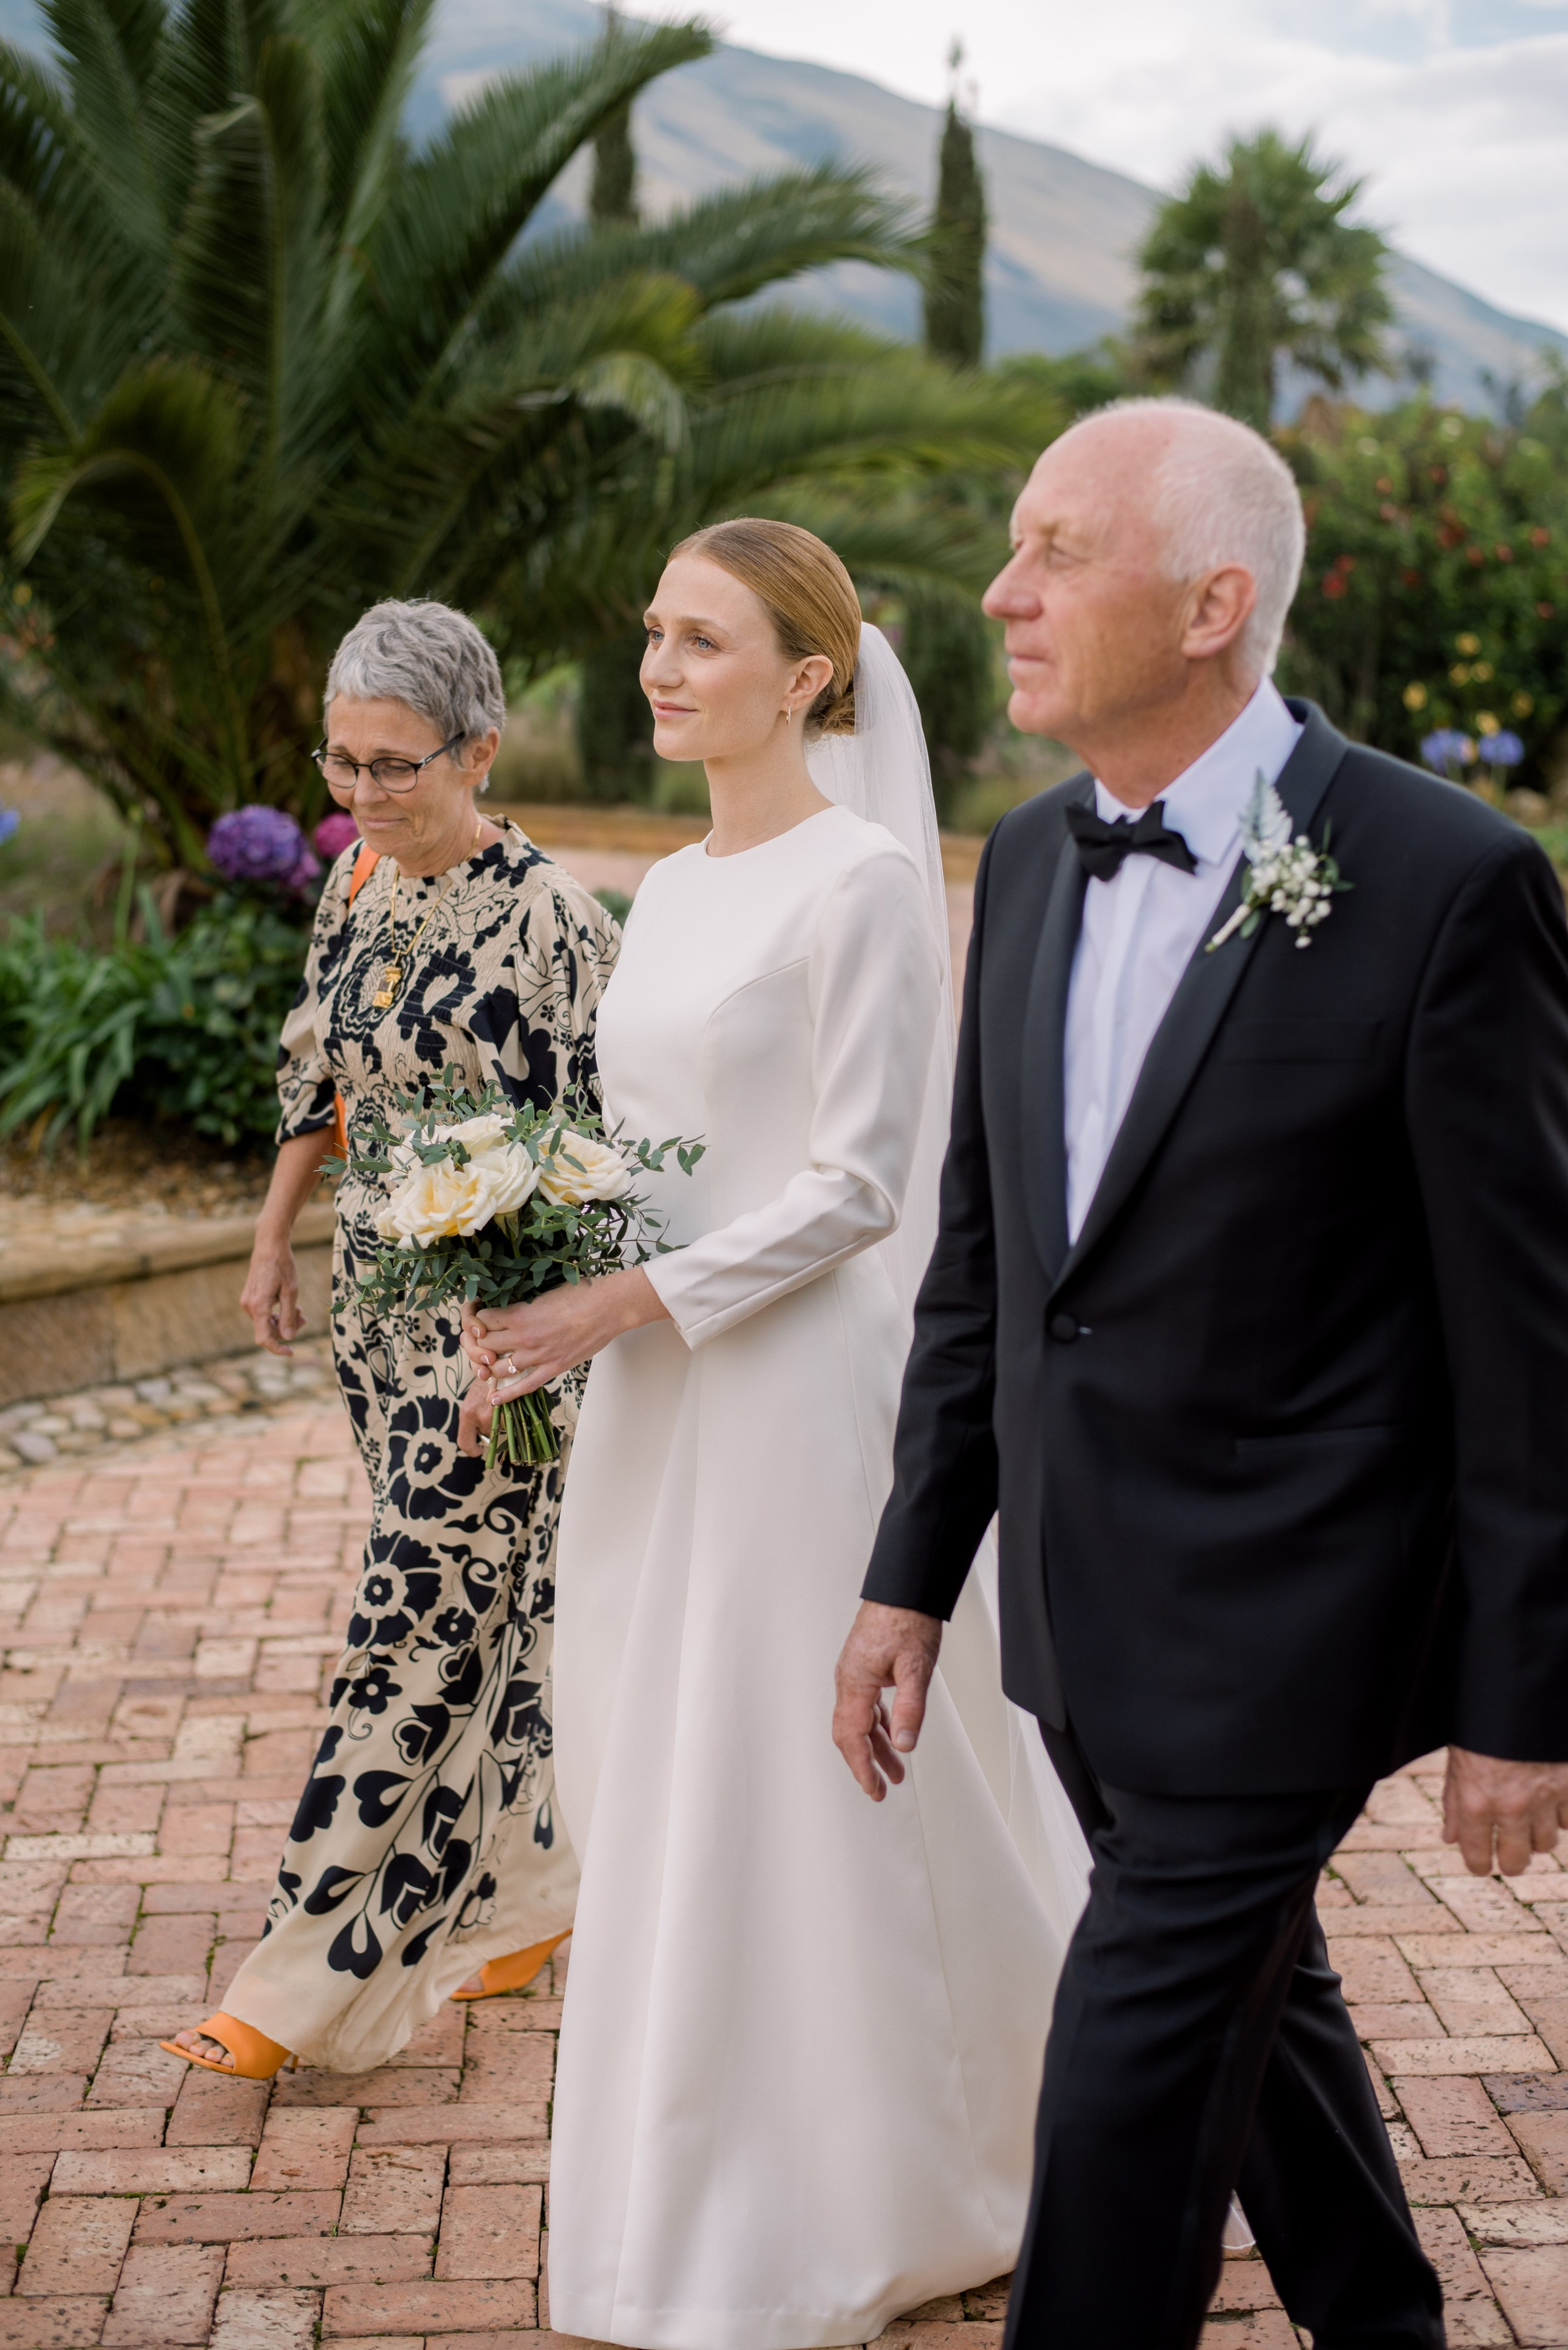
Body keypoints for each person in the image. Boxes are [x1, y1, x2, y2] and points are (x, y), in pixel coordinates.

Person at [834, 395, 1568, 2350]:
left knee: (1135, 2068)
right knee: (1269, 1996)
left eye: (1058, 550)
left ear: (1213, 599)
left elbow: (1529, 1331)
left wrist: (1526, 1691)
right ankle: (1383, 2324)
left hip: (1299, 1618)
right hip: (1078, 1609)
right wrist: (914, 1570)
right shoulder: (1029, 865)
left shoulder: (1448, 882)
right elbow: (987, 1270)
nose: (1002, 591)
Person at [460, 519, 1091, 2350]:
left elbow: (858, 1184)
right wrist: (540, 1238)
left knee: (798, 1774)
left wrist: (624, 1300)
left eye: (703, 638)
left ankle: (902, 2174)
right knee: (663, 1754)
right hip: (654, 1387)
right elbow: (649, 1148)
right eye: (652, 628)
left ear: (807, 677)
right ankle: (693, 2178)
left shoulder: (865, 883)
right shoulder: (666, 886)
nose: (659, 665)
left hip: (799, 1393)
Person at [162, 598, 618, 2080]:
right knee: (483, 1610)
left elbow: (582, 1157)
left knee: (411, 1620)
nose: (359, 792)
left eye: (393, 764)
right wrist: (268, 1239)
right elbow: (316, 1062)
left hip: (505, 1340)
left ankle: (304, 1970)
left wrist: (516, 1357)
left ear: (476, 749)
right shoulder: (354, 880)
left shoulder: (553, 921)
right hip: (375, 1314)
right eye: (342, 760)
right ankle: (534, 1892)